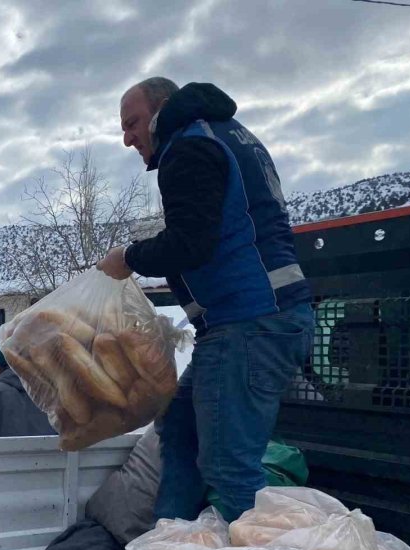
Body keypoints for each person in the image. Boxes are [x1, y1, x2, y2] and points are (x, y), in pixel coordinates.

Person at [98, 77, 314, 523]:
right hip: (252, 322)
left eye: (132, 123)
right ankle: (170, 545)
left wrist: (128, 257)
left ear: (162, 109)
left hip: (249, 323)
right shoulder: (228, 137)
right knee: (178, 427)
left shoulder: (190, 148)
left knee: (229, 469)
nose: (128, 139)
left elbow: (190, 243)